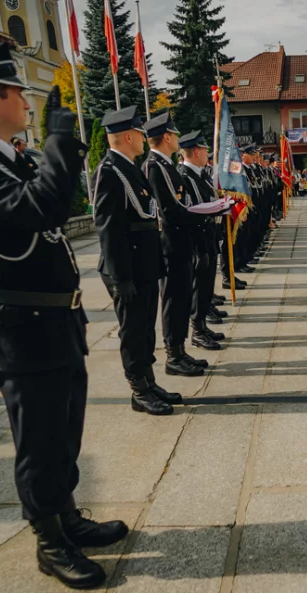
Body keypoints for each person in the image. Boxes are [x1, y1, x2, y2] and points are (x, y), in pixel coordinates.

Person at [0, 42, 125, 590]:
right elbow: (39, 211)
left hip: (55, 321)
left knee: (64, 432)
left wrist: (49, 150)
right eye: (19, 91)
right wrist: (62, 138)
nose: (27, 100)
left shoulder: (2, 155)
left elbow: (50, 207)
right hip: (21, 328)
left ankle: (66, 516)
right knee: (38, 442)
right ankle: (49, 541)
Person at [93, 105, 173, 416]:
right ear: (128, 135)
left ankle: (149, 382)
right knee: (133, 330)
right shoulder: (110, 171)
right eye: (140, 133)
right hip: (127, 268)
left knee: (145, 329)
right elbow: (109, 228)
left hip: (144, 265)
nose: (144, 139)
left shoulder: (129, 168)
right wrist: (120, 277)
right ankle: (138, 390)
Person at [143, 111, 216, 378]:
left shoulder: (167, 166)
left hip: (181, 244)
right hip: (170, 247)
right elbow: (170, 212)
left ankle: (181, 350)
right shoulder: (155, 167)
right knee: (174, 301)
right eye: (174, 134)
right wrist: (205, 212)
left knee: (182, 299)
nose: (177, 138)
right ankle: (173, 355)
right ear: (166, 137)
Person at [178, 131, 225, 351]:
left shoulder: (201, 175)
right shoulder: (185, 176)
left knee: (206, 286)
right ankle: (197, 330)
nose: (208, 153)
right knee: (199, 288)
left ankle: (203, 325)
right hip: (198, 240)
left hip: (209, 236)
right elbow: (192, 210)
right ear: (196, 151)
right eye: (205, 149)